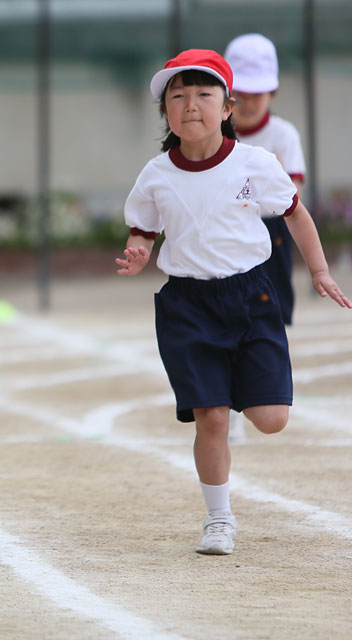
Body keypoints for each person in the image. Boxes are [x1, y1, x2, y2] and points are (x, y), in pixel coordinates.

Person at [115, 51, 350, 556]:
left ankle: (242, 385)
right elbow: (143, 228)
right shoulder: (156, 174)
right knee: (213, 418)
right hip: (188, 305)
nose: (190, 105)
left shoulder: (255, 163)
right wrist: (138, 251)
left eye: (204, 94)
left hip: (251, 296)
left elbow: (295, 213)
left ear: (227, 108)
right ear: (166, 112)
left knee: (271, 418)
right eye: (178, 96)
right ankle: (218, 518)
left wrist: (319, 271)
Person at [224, 34, 306, 443]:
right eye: (241, 92)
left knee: (269, 320)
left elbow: (291, 197)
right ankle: (229, 408)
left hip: (270, 240)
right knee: (226, 320)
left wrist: (244, 198)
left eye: (259, 92)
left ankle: (266, 391)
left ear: (272, 91)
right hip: (224, 237)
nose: (250, 101)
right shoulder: (215, 135)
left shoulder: (283, 135)